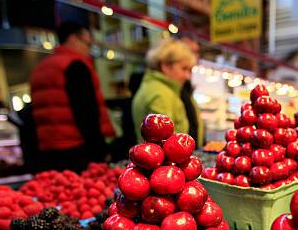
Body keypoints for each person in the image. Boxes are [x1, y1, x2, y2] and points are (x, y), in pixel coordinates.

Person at [30, 22, 115, 172]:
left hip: (48, 151)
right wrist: (101, 151)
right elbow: (86, 112)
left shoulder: (40, 68)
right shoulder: (75, 65)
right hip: (77, 149)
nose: (89, 49)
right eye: (88, 43)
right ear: (74, 39)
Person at [132, 38, 204, 147]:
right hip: (168, 163)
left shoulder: (161, 89)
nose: (187, 76)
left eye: (189, 70)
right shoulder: (160, 94)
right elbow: (164, 145)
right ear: (166, 66)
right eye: (184, 69)